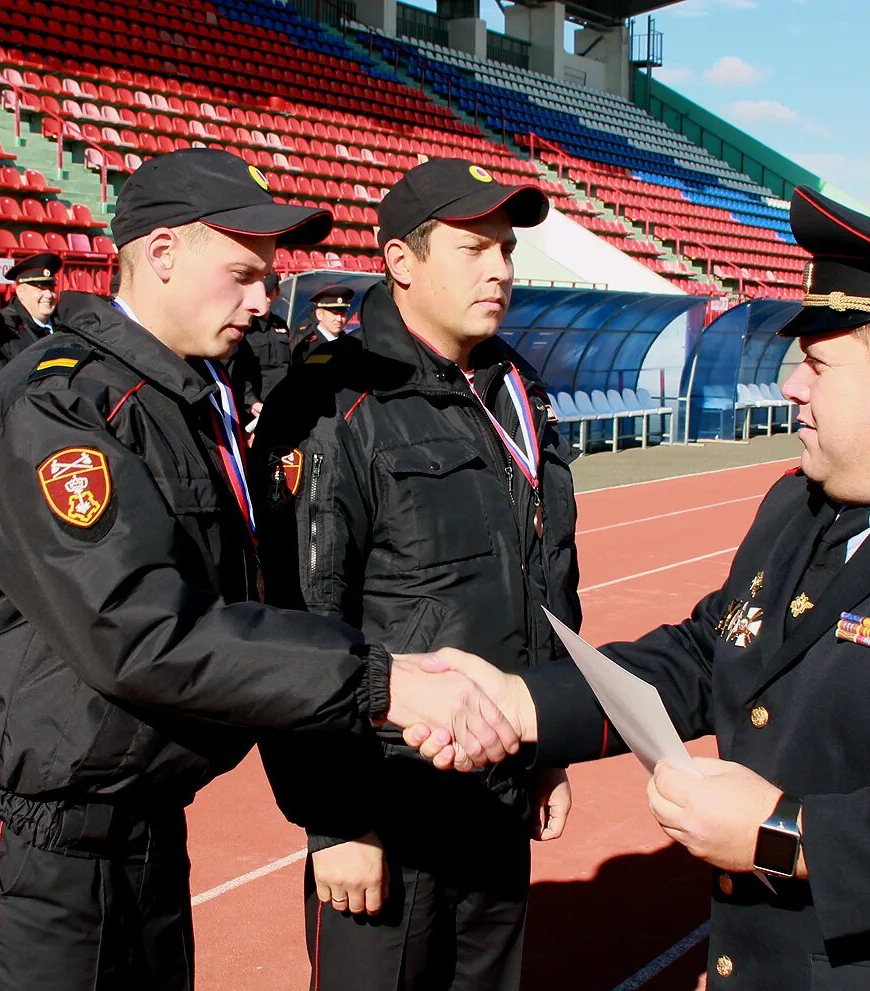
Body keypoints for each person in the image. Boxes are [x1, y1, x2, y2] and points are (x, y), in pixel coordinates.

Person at [413, 188, 870, 989]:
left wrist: (781, 834)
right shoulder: (806, 501)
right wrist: (519, 702)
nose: (791, 386)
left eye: (816, 362)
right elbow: (714, 651)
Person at [0, 148, 521, 991]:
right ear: (161, 254)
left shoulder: (176, 395)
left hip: (141, 820)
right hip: (45, 841)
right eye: (241, 272)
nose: (263, 297)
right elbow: (138, 627)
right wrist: (379, 683)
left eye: (267, 276)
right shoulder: (64, 405)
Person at [255, 157, 581, 991]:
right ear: (402, 260)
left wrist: (553, 736)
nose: (502, 269)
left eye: (505, 249)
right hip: (387, 802)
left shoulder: (513, 386)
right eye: (475, 249)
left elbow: (551, 574)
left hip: (497, 784)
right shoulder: (333, 402)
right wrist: (335, 821)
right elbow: (297, 619)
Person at [0, 252, 62, 397]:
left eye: (52, 288)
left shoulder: (64, 326)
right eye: (41, 288)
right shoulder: (1, 333)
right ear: (21, 292)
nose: (49, 295)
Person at [228, 272, 292, 423]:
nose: (265, 298)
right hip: (254, 412)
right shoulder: (242, 326)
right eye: (261, 293)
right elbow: (235, 371)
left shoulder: (281, 325)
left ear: (277, 292)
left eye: (269, 293)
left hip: (283, 407)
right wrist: (250, 402)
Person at [290, 284, 355, 365]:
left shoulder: (352, 344)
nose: (339, 319)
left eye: (343, 314)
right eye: (334, 313)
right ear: (319, 314)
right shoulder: (307, 348)